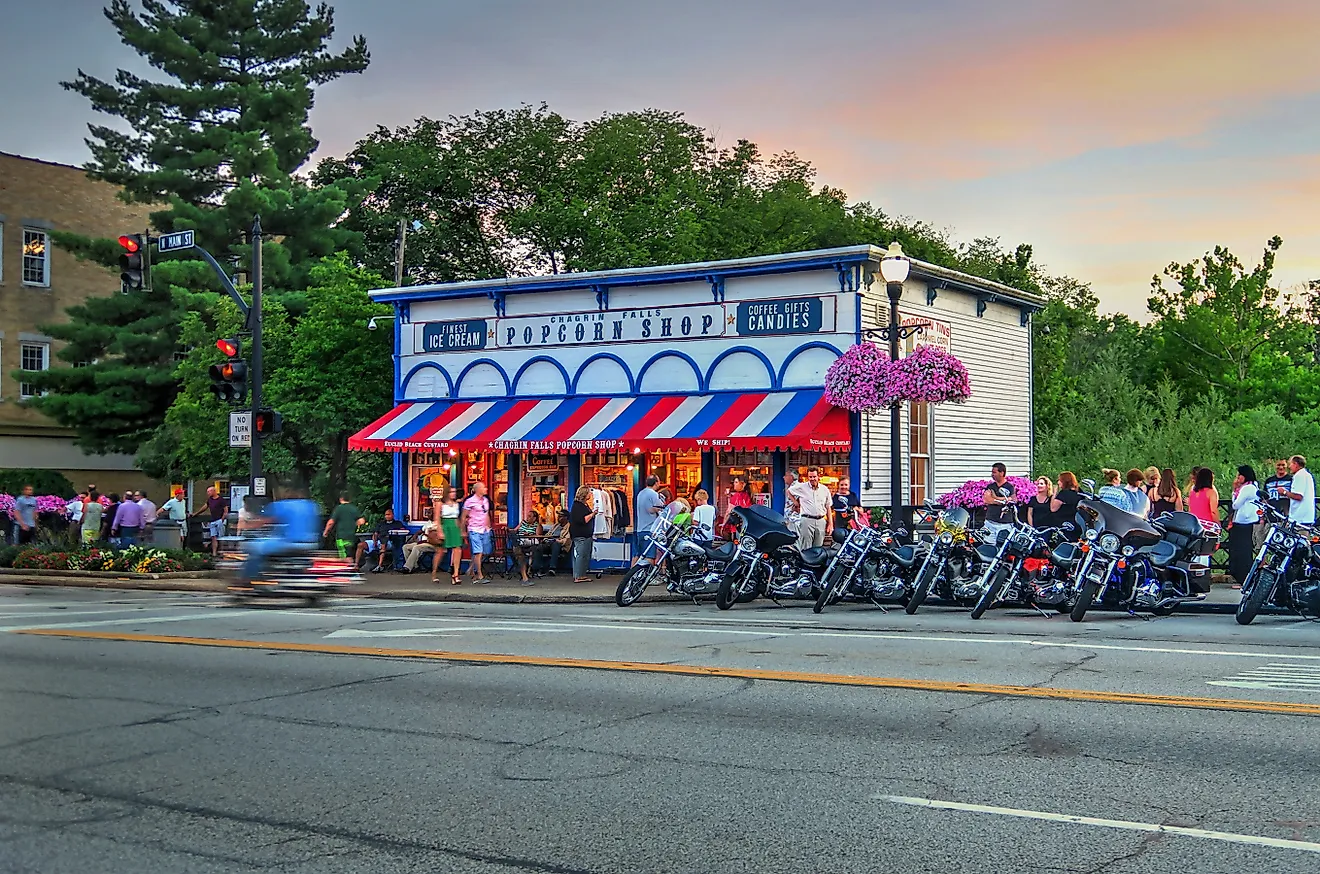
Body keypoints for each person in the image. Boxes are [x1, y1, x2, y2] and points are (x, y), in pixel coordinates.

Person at [239, 485, 321, 586]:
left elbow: (266, 520)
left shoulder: (283, 505)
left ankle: (246, 580)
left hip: (290, 542)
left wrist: (248, 526)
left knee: (255, 548)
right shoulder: (311, 505)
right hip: (310, 543)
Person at [1228, 465, 1261, 586]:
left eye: (1239, 475)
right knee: (1244, 550)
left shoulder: (1247, 488)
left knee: (1242, 551)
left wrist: (1234, 491)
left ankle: (1244, 578)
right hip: (1246, 521)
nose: (1238, 478)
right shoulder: (1253, 486)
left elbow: (1235, 505)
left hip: (1244, 521)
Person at [788, 466, 833, 550]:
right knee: (806, 547)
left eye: (814, 476)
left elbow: (828, 507)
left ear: (818, 476)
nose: (812, 479)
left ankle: (817, 563)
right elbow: (789, 491)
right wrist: (796, 502)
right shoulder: (802, 487)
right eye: (810, 477)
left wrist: (830, 524)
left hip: (821, 520)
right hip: (807, 520)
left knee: (818, 548)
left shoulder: (824, 489)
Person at [460, 481, 494, 584]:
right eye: (484, 488)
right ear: (478, 489)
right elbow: (463, 516)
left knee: (485, 552)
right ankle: (479, 575)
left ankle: (471, 570)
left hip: (485, 529)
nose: (486, 489)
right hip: (474, 529)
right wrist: (463, 531)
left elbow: (486, 513)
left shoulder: (485, 501)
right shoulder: (469, 501)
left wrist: (488, 526)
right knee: (478, 552)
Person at [356, 508, 408, 574]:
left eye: (389, 514)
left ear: (393, 515)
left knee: (384, 543)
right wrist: (374, 541)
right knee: (360, 545)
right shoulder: (381, 523)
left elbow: (403, 531)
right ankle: (356, 565)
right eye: (386, 515)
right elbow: (375, 533)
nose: (387, 516)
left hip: (390, 542)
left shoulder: (398, 524)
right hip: (378, 541)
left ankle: (380, 566)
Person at [435, 486, 463, 585]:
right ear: (447, 493)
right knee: (441, 551)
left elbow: (457, 518)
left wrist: (461, 530)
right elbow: (437, 518)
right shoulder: (440, 503)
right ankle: (434, 573)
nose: (453, 493)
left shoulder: (456, 504)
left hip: (454, 527)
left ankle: (455, 574)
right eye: (451, 492)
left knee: (457, 549)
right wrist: (439, 531)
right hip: (445, 526)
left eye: (454, 492)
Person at [633, 476, 664, 564]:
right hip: (650, 529)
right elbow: (659, 508)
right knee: (650, 556)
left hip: (640, 529)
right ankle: (648, 576)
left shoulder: (640, 493)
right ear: (656, 483)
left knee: (639, 555)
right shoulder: (653, 494)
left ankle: (632, 576)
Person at [324, 494, 364, 559]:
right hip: (352, 537)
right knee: (349, 554)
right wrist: (353, 525)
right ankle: (351, 565)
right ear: (350, 499)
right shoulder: (354, 508)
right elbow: (362, 521)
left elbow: (331, 522)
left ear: (341, 499)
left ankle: (346, 566)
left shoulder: (339, 508)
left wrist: (326, 532)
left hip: (341, 537)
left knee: (343, 556)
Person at [570, 485, 596, 583]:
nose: (591, 494)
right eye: (589, 492)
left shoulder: (584, 505)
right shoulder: (577, 506)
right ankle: (578, 576)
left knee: (586, 554)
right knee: (581, 554)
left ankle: (582, 574)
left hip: (587, 534)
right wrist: (592, 514)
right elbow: (582, 520)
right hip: (580, 534)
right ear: (584, 494)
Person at [983, 463, 1017, 537]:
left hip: (1005, 523)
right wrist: (1003, 500)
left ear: (1002, 473)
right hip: (990, 522)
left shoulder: (1009, 487)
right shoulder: (990, 486)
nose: (992, 474)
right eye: (992, 472)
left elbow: (1013, 500)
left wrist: (994, 498)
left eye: (994, 472)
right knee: (988, 545)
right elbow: (986, 500)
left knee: (1003, 545)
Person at [1282, 455, 1316, 525]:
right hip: (1306, 517)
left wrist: (1284, 492)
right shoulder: (1306, 475)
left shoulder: (1299, 475)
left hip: (1300, 518)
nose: (1289, 467)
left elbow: (1298, 496)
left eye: (1290, 464)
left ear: (1296, 464)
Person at [193, 486, 228, 556]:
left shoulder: (221, 500)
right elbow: (205, 507)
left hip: (219, 520)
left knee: (221, 537)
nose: (208, 493)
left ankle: (222, 552)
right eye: (207, 492)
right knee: (213, 537)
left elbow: (226, 510)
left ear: (214, 491)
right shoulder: (210, 500)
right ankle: (214, 553)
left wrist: (222, 519)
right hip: (213, 520)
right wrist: (196, 513)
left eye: (209, 491)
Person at [513, 509, 543, 585]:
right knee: (518, 550)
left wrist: (529, 535)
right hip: (520, 541)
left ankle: (527, 572)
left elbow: (538, 536)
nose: (527, 518)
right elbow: (514, 530)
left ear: (534, 518)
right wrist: (508, 529)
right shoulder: (523, 522)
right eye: (527, 516)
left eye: (530, 516)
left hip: (530, 541)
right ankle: (525, 574)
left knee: (533, 548)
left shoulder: (537, 525)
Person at [537, 509, 571, 575]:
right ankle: (538, 568)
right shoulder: (556, 525)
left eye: (560, 516)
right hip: (549, 542)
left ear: (566, 517)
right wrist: (545, 539)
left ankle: (552, 568)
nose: (558, 518)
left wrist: (558, 541)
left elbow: (567, 539)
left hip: (560, 545)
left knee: (556, 545)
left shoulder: (569, 527)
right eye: (558, 516)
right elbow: (548, 534)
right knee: (539, 547)